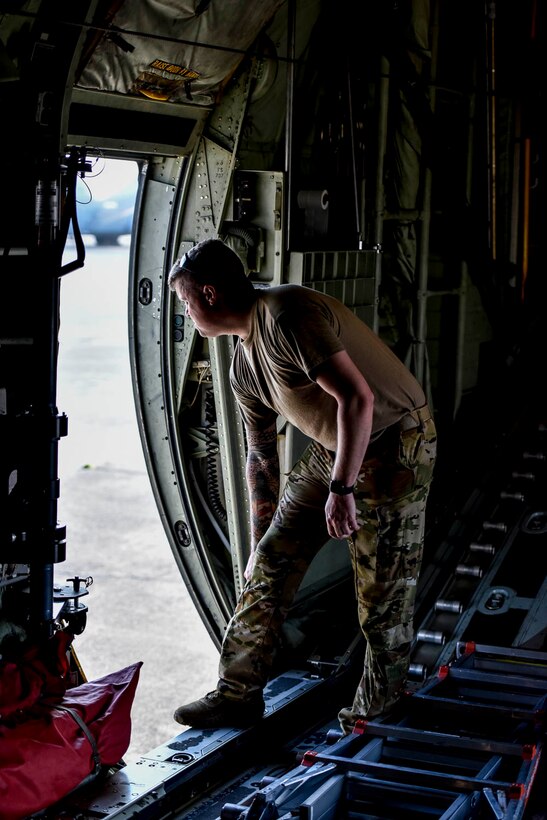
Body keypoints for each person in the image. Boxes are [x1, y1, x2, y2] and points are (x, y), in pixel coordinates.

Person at [168, 238, 437, 733]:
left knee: (381, 590)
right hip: (333, 450)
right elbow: (261, 459)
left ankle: (379, 706)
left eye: (185, 302)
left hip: (396, 439)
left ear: (209, 294)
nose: (186, 313)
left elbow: (358, 398)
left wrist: (343, 488)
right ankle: (237, 694)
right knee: (269, 566)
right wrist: (260, 543)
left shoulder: (287, 313)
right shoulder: (244, 365)